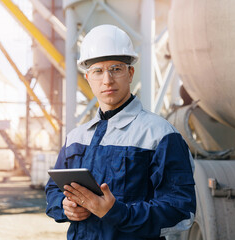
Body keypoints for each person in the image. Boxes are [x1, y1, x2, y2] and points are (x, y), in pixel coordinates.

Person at [45, 24, 196, 240]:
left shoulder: (159, 135)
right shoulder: (75, 138)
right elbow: (53, 189)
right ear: (88, 78)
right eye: (98, 71)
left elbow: (181, 212)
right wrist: (64, 206)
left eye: (115, 69)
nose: (107, 80)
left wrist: (117, 213)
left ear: (130, 72)